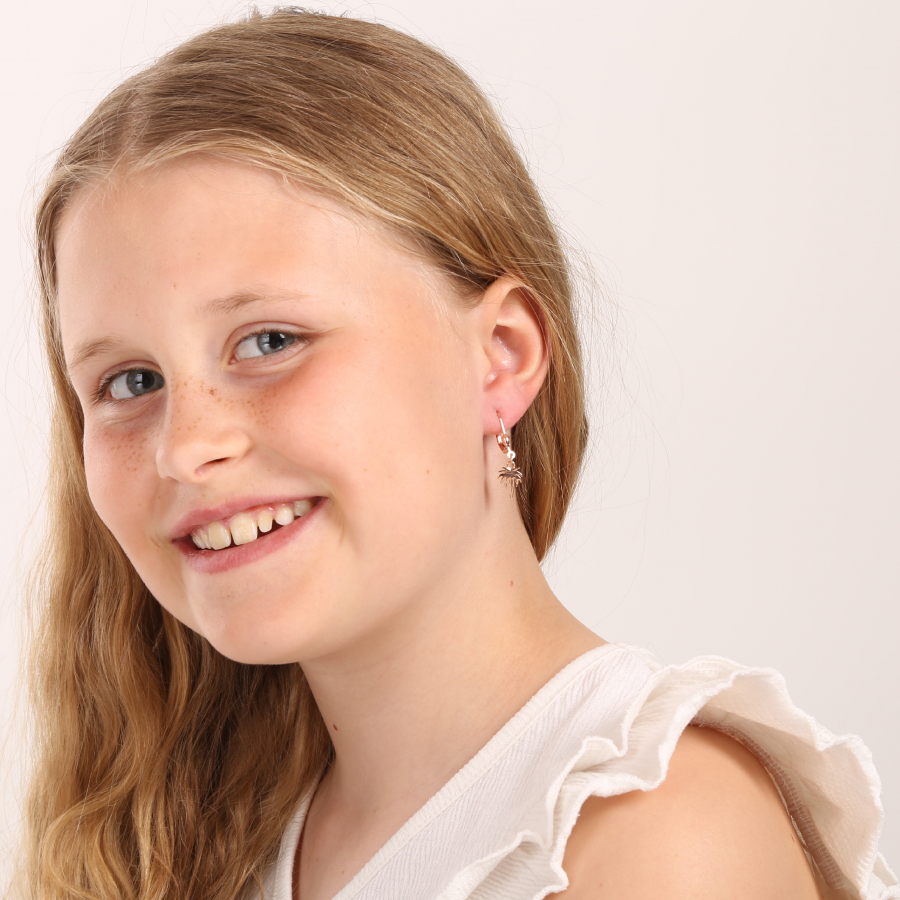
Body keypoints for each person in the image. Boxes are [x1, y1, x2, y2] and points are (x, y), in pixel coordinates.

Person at [16, 8, 894, 900]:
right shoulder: (209, 843)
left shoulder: (656, 835)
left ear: (501, 356)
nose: (187, 446)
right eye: (130, 382)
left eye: (270, 340)